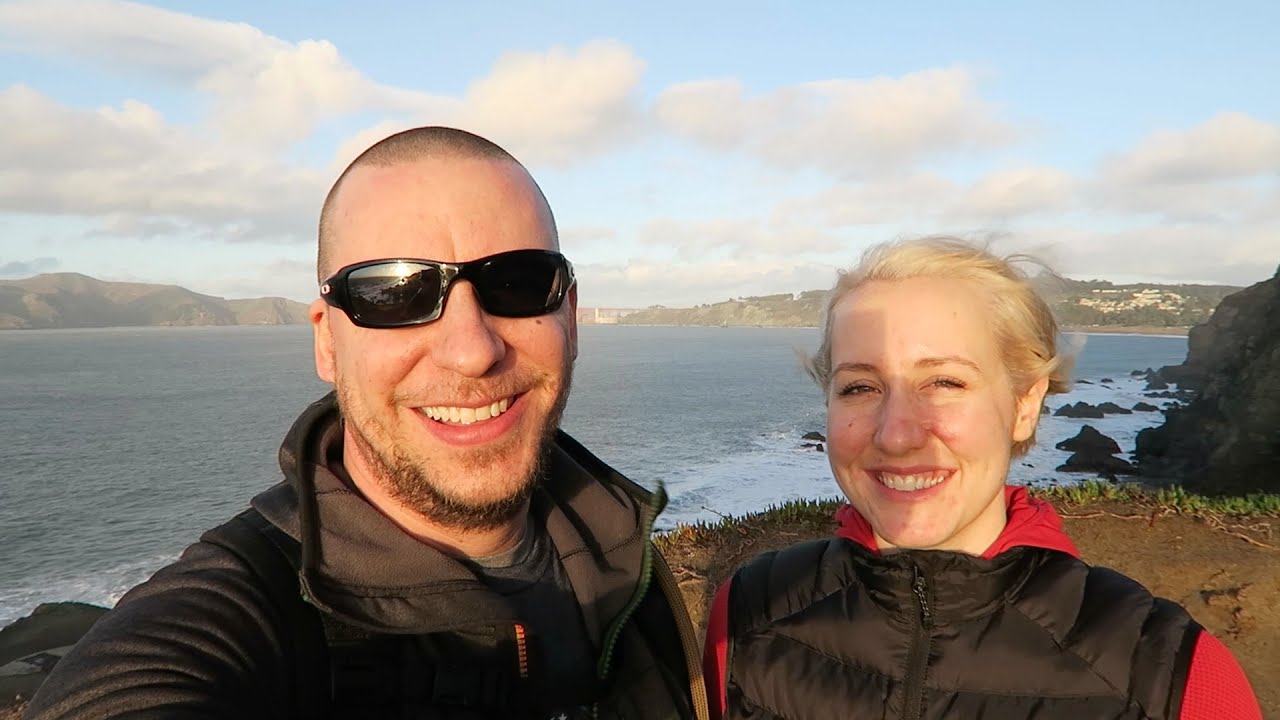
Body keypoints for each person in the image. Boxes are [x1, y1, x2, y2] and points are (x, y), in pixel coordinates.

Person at [29, 127, 709, 720]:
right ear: (327, 341)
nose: (472, 350)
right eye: (394, 294)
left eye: (518, 282)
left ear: (570, 317)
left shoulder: (630, 562)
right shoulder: (250, 616)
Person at [702, 237, 1262, 720]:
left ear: (1024, 405)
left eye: (945, 382)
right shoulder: (748, 612)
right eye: (860, 387)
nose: (896, 435)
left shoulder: (1169, 670)